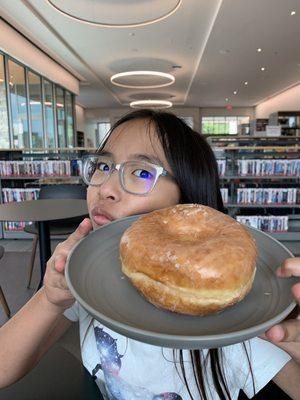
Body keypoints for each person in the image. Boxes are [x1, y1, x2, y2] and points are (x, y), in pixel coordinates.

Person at [0, 109, 299, 400]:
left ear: (187, 201)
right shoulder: (93, 279)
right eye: (103, 166)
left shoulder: (232, 314)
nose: (105, 188)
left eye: (141, 172)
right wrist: (50, 298)